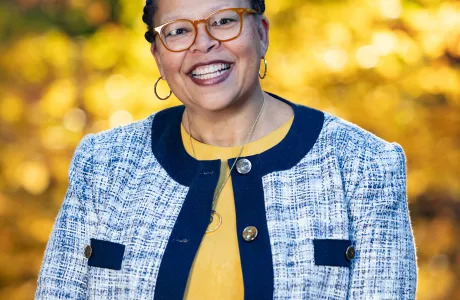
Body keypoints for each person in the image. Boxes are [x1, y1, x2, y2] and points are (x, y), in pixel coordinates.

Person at [35, 0, 418, 299]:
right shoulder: (103, 165)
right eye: (179, 30)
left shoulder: (364, 165)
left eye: (223, 21)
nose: (203, 44)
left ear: (262, 33)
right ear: (158, 56)